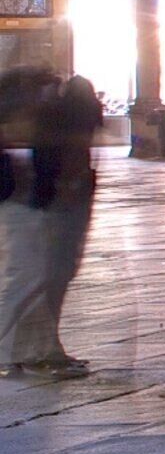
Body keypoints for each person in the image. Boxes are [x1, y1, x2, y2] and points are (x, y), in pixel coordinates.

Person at [3, 72, 99, 377]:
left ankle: (42, 350)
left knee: (53, 276)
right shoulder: (40, 116)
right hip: (33, 202)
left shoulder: (57, 112)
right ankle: (11, 350)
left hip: (46, 200)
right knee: (31, 275)